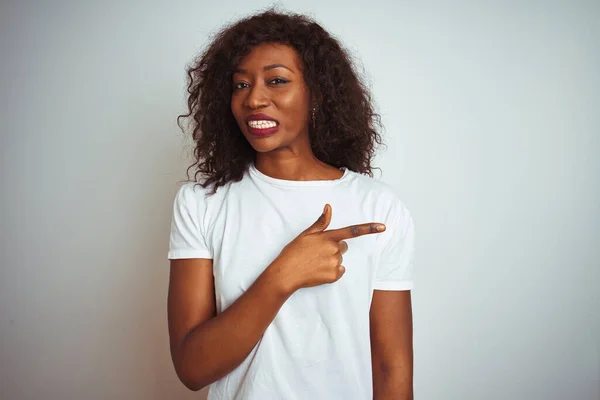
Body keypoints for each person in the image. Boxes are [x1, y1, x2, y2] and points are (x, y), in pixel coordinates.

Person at [167, 9, 415, 400]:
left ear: (317, 93)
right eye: (240, 85)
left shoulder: (378, 207)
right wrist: (283, 275)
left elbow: (391, 366)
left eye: (277, 80)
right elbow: (192, 368)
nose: (254, 99)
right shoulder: (201, 204)